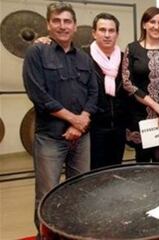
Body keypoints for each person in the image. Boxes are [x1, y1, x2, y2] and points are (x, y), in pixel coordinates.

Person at [22, 2, 98, 233]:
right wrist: (74, 120)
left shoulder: (84, 58)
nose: (62, 26)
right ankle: (46, 237)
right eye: (57, 21)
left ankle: (74, 235)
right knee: (47, 195)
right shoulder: (37, 52)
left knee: (80, 191)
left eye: (67, 21)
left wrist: (82, 120)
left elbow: (94, 92)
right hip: (50, 138)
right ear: (48, 24)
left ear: (74, 26)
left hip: (81, 138)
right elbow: (39, 95)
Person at [122, 7, 159, 163]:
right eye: (152, 22)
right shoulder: (132, 48)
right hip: (140, 114)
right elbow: (127, 83)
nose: (156, 26)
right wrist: (155, 106)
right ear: (144, 24)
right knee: (142, 160)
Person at [87, 13, 128, 170]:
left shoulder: (125, 59)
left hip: (118, 127)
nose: (107, 35)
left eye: (111, 31)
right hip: (93, 128)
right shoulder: (83, 58)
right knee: (94, 173)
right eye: (102, 30)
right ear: (94, 33)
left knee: (115, 171)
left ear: (117, 34)